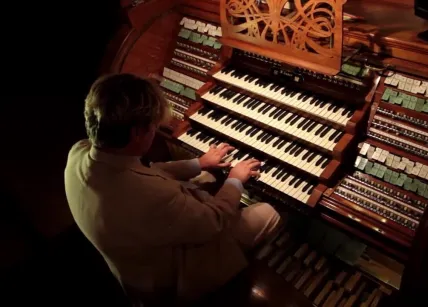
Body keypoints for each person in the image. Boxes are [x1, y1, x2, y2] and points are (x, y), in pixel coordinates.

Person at [64, 73, 281, 306]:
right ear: (137, 132)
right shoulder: (150, 196)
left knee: (206, 175)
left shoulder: (80, 153)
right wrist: (235, 179)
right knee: (268, 213)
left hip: (134, 260)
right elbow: (214, 221)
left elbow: (145, 171)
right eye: (153, 126)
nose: (155, 130)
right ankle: (245, 280)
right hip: (171, 280)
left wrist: (199, 163)